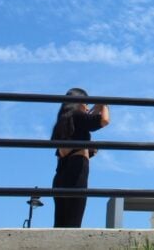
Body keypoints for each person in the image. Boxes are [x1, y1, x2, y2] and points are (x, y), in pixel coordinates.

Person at [50, 87, 110, 228]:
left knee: (60, 222)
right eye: (86, 103)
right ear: (81, 102)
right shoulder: (78, 115)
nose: (88, 107)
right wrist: (105, 104)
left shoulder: (61, 122)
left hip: (60, 176)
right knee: (73, 222)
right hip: (77, 172)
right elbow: (104, 120)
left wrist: (89, 151)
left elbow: (68, 151)